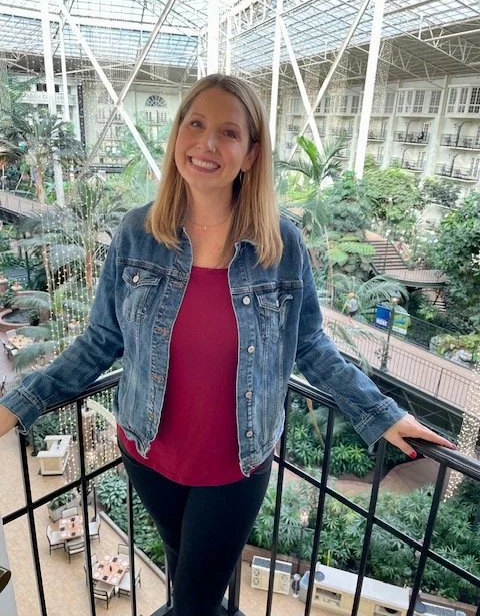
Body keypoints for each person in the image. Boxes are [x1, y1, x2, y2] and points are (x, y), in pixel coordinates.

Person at [0, 74, 455, 616]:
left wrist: (381, 414)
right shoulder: (137, 233)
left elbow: (311, 344)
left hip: (236, 464)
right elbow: (102, 340)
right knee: (191, 583)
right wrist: (16, 404)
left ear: (250, 153)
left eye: (228, 132)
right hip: (149, 452)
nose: (207, 144)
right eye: (195, 124)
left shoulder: (280, 244)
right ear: (176, 138)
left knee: (192, 603)